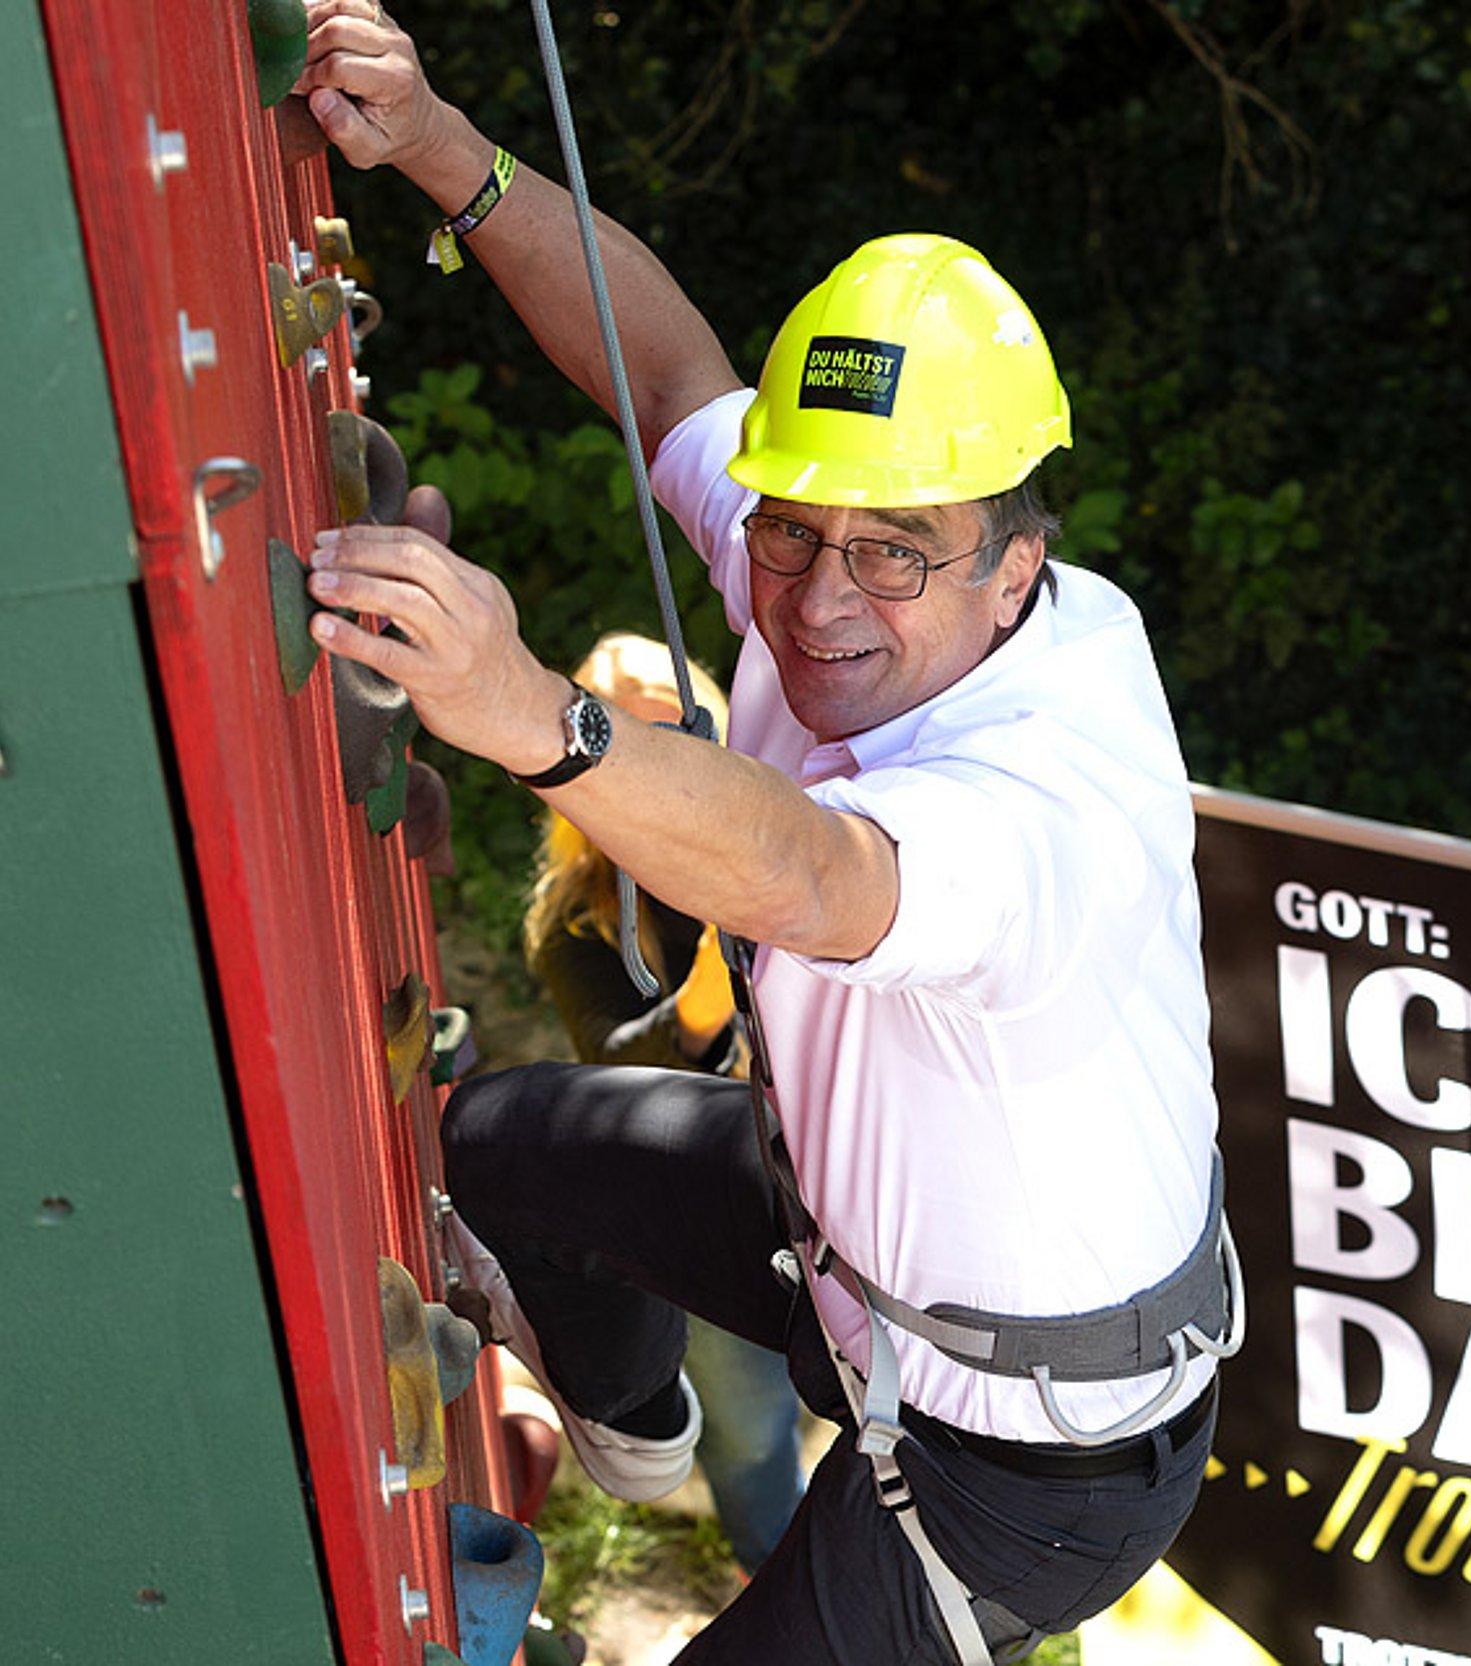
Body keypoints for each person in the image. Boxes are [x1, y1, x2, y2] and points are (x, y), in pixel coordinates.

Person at [299, 7, 1234, 1661]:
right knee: (496, 1146)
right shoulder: (862, 550)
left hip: (1023, 1459)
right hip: (844, 1245)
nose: (811, 597)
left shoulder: (1045, 789)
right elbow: (667, 369)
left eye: (890, 554)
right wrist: (441, 145)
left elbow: (814, 870)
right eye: (792, 531)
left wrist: (532, 712)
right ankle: (636, 1431)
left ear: (1019, 568)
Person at [522, 631, 804, 1575]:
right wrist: (715, 976)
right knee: (752, 1420)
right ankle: (784, 1574)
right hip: (715, 1193)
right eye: (625, 731)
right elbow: (612, 1071)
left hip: (849, 1166)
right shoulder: (583, 914)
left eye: (675, 721)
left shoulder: (796, 810)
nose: (660, 762)